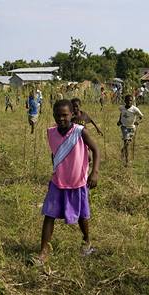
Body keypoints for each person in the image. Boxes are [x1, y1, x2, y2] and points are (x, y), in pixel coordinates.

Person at [34, 99, 100, 264]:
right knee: (49, 215)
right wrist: (56, 167)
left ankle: (86, 241)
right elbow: (55, 152)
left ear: (72, 114)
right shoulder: (51, 132)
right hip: (58, 182)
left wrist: (94, 172)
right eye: (57, 115)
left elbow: (95, 150)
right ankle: (43, 251)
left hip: (78, 182)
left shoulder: (80, 131)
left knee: (82, 216)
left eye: (65, 115)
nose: (61, 119)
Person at [117, 95, 143, 166]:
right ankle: (127, 161)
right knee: (126, 142)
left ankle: (123, 150)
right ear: (125, 101)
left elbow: (141, 117)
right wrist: (119, 121)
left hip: (132, 128)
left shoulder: (135, 109)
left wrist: (137, 121)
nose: (129, 102)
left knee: (127, 143)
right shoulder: (121, 107)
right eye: (127, 100)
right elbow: (121, 114)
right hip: (124, 127)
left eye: (131, 100)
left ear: (132, 101)